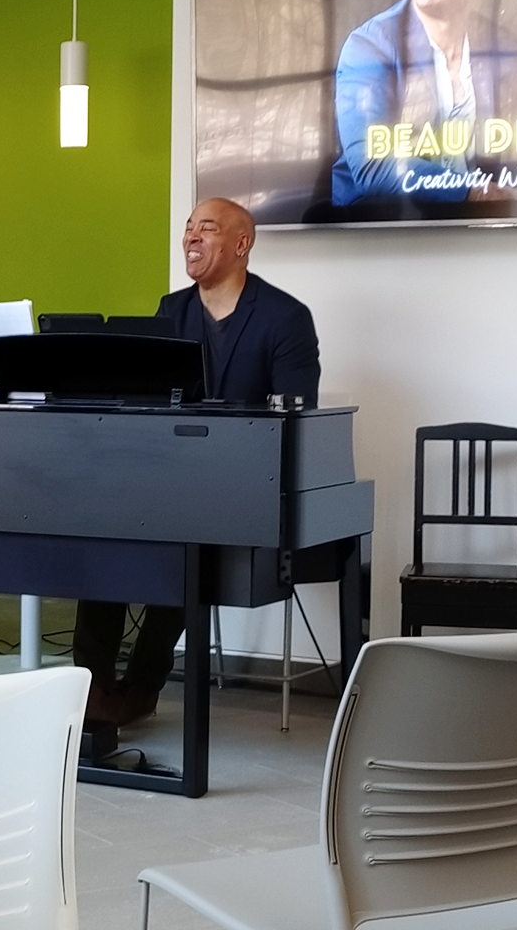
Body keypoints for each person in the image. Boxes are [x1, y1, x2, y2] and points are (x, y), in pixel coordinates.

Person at [72, 197, 320, 726]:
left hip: (242, 486)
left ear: (241, 244)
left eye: (206, 228)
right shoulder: (172, 311)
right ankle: (91, 690)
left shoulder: (285, 317)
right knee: (101, 533)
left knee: (185, 548)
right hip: (168, 478)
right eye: (188, 228)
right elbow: (147, 400)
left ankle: (142, 687)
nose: (191, 237)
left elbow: (296, 417)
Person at [331, 0, 515, 205]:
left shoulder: (501, 48)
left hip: (476, 227)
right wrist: (471, 192)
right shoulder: (370, 46)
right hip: (379, 227)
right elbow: (372, 166)